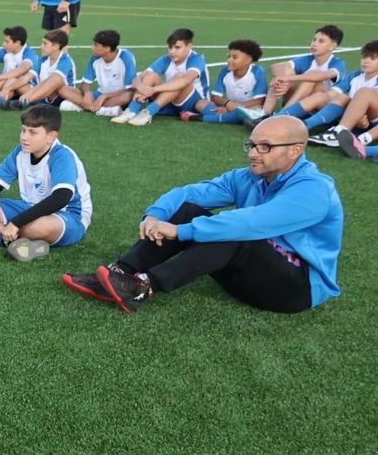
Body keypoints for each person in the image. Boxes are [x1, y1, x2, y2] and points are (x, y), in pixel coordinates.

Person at [63, 116, 342, 314]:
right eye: (252, 145)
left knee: (234, 231)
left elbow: (253, 222)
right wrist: (155, 216)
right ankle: (120, 273)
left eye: (265, 147)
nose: (254, 154)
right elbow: (189, 194)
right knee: (189, 211)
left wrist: (182, 231)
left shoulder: (314, 190)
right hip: (252, 274)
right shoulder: (249, 177)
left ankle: (141, 288)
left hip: (295, 289)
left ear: (295, 151)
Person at [0, 104, 92, 262]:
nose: (24, 137)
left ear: (51, 137)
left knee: (39, 227)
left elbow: (61, 197)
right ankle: (14, 243)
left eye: (32, 132)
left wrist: (16, 222)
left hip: (68, 215)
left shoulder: (62, 156)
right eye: (23, 130)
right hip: (31, 208)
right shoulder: (21, 152)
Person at [112, 28, 207, 126]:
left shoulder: (197, 59)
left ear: (189, 46)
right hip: (168, 102)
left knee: (179, 78)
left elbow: (185, 81)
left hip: (191, 105)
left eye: (177, 47)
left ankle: (148, 112)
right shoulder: (166, 59)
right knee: (150, 76)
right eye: (170, 47)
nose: (172, 52)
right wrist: (142, 88)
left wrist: (153, 89)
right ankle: (131, 110)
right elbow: (137, 79)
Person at [265, 24, 345, 121]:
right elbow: (276, 67)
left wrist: (289, 78)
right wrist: (286, 80)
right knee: (279, 79)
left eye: (321, 41)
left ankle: (283, 115)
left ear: (332, 46)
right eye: (314, 39)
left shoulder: (337, 63)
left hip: (319, 107)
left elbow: (321, 76)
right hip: (300, 101)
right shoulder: (308, 59)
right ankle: (265, 113)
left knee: (309, 79)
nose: (314, 43)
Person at [303, 40, 378, 141]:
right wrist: (320, 101)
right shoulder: (355, 75)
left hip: (371, 122)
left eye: (372, 58)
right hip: (355, 120)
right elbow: (331, 94)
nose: (366, 61)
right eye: (364, 57)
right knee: (340, 97)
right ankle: (304, 124)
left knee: (364, 93)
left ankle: (339, 134)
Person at [184, 39, 268, 125]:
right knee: (200, 103)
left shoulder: (258, 72)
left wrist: (237, 108)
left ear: (248, 60)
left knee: (257, 110)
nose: (229, 60)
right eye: (229, 56)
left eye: (235, 57)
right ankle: (232, 117)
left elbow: (259, 101)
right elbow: (215, 97)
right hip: (229, 106)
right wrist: (227, 104)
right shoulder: (225, 71)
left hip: (248, 108)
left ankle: (203, 118)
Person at [58, 28, 136, 117]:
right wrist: (88, 94)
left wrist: (104, 96)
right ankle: (102, 109)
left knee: (129, 96)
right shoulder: (95, 58)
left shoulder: (126, 57)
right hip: (98, 95)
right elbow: (85, 83)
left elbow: (131, 88)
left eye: (96, 45)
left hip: (117, 95)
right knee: (62, 89)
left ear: (107, 48)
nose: (92, 47)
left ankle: (83, 106)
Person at [15, 29, 76, 108]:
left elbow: (54, 81)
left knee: (55, 81)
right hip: (43, 93)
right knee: (16, 82)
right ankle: (0, 98)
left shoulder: (65, 61)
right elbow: (27, 77)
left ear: (56, 47)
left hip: (59, 96)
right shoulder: (43, 60)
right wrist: (7, 89)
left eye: (45, 44)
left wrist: (30, 93)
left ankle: (26, 101)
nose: (41, 46)